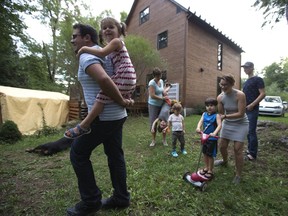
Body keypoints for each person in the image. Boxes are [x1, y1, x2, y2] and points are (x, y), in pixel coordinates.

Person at [66, 23, 130, 216]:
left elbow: (104, 80)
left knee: (78, 153)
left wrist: (120, 99)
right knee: (115, 155)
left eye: (75, 36)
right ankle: (121, 197)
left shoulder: (87, 55)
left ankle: (91, 201)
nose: (72, 40)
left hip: (104, 117)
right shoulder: (106, 54)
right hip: (117, 115)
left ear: (87, 38)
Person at [65, 17, 136, 139]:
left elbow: (103, 73)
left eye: (111, 27)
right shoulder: (111, 46)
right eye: (104, 28)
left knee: (101, 96)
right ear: (101, 33)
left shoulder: (116, 42)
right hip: (126, 76)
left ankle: (84, 125)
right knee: (114, 152)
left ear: (119, 30)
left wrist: (83, 49)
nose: (107, 29)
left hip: (125, 74)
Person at [214, 75, 249, 184]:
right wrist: (219, 123)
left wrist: (225, 117)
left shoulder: (240, 95)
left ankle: (238, 174)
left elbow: (241, 113)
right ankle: (225, 161)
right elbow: (220, 113)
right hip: (228, 123)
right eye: (221, 84)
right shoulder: (220, 97)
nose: (223, 87)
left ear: (232, 84)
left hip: (241, 124)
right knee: (222, 146)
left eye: (226, 85)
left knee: (237, 150)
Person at [242, 62, 266, 161]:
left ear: (252, 68)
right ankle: (249, 149)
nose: (244, 69)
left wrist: (253, 104)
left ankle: (253, 154)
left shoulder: (258, 79)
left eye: (246, 67)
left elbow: (263, 94)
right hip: (245, 109)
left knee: (251, 131)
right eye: (244, 67)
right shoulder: (246, 81)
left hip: (253, 109)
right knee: (247, 131)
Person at [195, 98, 222, 180]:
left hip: (212, 139)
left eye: (211, 105)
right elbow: (200, 121)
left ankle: (210, 170)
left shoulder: (216, 116)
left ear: (215, 106)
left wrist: (214, 133)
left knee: (210, 155)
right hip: (204, 137)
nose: (209, 107)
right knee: (205, 153)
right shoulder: (204, 114)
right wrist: (198, 127)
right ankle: (206, 167)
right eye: (207, 106)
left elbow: (219, 125)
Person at [148, 67, 171, 147]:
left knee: (164, 120)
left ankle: (164, 140)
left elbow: (162, 91)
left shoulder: (161, 81)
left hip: (161, 104)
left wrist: (166, 90)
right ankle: (153, 140)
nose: (159, 78)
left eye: (160, 76)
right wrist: (162, 98)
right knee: (153, 122)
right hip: (153, 105)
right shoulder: (151, 83)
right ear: (154, 76)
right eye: (157, 76)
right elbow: (152, 95)